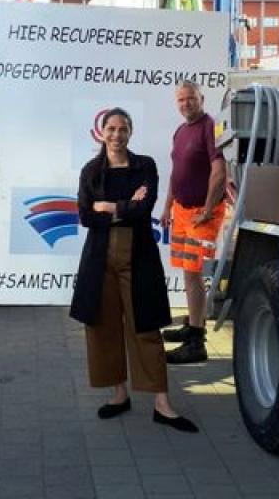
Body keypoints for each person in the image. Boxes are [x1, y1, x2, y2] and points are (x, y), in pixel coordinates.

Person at [70, 108, 198, 433]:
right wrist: (126, 206)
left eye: (123, 129)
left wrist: (109, 207)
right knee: (104, 327)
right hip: (99, 258)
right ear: (101, 132)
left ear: (130, 132)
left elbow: (144, 210)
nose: (117, 135)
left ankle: (162, 403)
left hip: (138, 255)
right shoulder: (91, 171)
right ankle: (118, 394)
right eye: (111, 129)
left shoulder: (145, 166)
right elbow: (86, 216)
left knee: (146, 327)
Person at [160, 81, 226, 364]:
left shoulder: (211, 127)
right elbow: (176, 173)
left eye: (191, 98)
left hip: (202, 213)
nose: (186, 103)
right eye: (181, 99)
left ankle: (197, 342)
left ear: (202, 98)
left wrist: (208, 209)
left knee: (193, 272)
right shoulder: (180, 131)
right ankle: (193, 325)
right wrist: (167, 207)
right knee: (188, 274)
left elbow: (219, 170)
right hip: (182, 212)